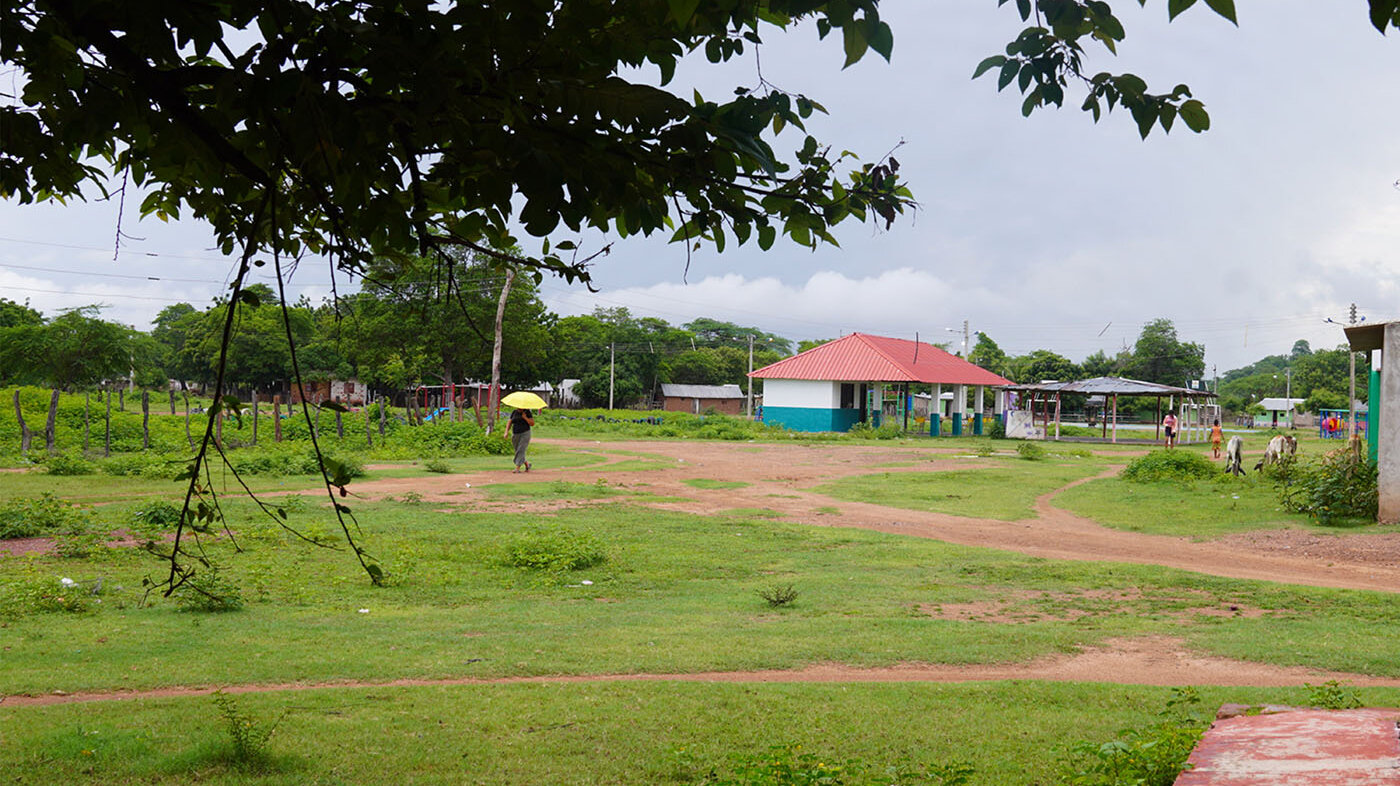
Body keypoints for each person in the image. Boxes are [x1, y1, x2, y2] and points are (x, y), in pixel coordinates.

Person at [509, 407, 534, 473]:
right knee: (517, 450)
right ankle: (527, 465)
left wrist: (525, 417)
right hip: (515, 434)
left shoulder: (527, 412)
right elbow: (510, 422)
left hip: (525, 433)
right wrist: (506, 432)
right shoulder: (514, 412)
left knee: (521, 450)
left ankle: (517, 468)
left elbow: (532, 423)